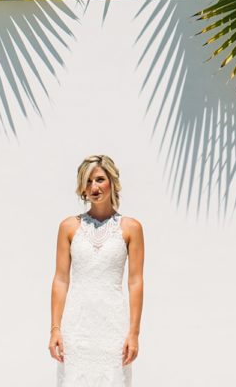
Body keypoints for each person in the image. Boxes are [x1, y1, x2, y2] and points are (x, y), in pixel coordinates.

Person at [50, 154, 145, 386]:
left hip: (113, 327)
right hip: (77, 327)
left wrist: (134, 333)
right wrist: (55, 329)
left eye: (100, 179)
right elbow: (61, 280)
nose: (94, 187)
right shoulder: (68, 227)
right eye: (88, 181)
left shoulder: (131, 228)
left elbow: (135, 282)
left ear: (112, 182)